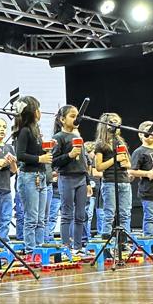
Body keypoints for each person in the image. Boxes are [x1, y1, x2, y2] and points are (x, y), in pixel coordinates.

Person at [13, 96, 52, 253]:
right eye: (38, 109)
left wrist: (44, 150)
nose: (40, 112)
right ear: (33, 112)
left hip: (40, 176)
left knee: (41, 218)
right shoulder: (24, 131)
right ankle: (30, 250)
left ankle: (39, 248)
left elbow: (33, 151)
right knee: (32, 217)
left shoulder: (36, 131)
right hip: (29, 177)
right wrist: (39, 158)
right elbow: (20, 155)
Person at [52, 104, 88, 254]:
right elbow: (53, 161)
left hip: (81, 178)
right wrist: (69, 155)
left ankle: (78, 247)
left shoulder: (78, 136)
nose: (76, 119)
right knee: (67, 214)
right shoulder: (58, 137)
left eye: (77, 116)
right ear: (62, 119)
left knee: (80, 215)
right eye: (72, 116)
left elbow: (84, 162)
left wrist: (88, 181)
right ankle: (65, 246)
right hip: (67, 178)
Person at [93, 113, 132, 237]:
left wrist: (125, 162)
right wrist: (115, 159)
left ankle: (124, 239)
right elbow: (99, 167)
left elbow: (129, 163)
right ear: (105, 124)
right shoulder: (100, 144)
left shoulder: (121, 142)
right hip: (110, 181)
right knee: (109, 213)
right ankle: (106, 238)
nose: (116, 123)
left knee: (125, 213)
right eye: (112, 121)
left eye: (117, 121)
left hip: (124, 181)